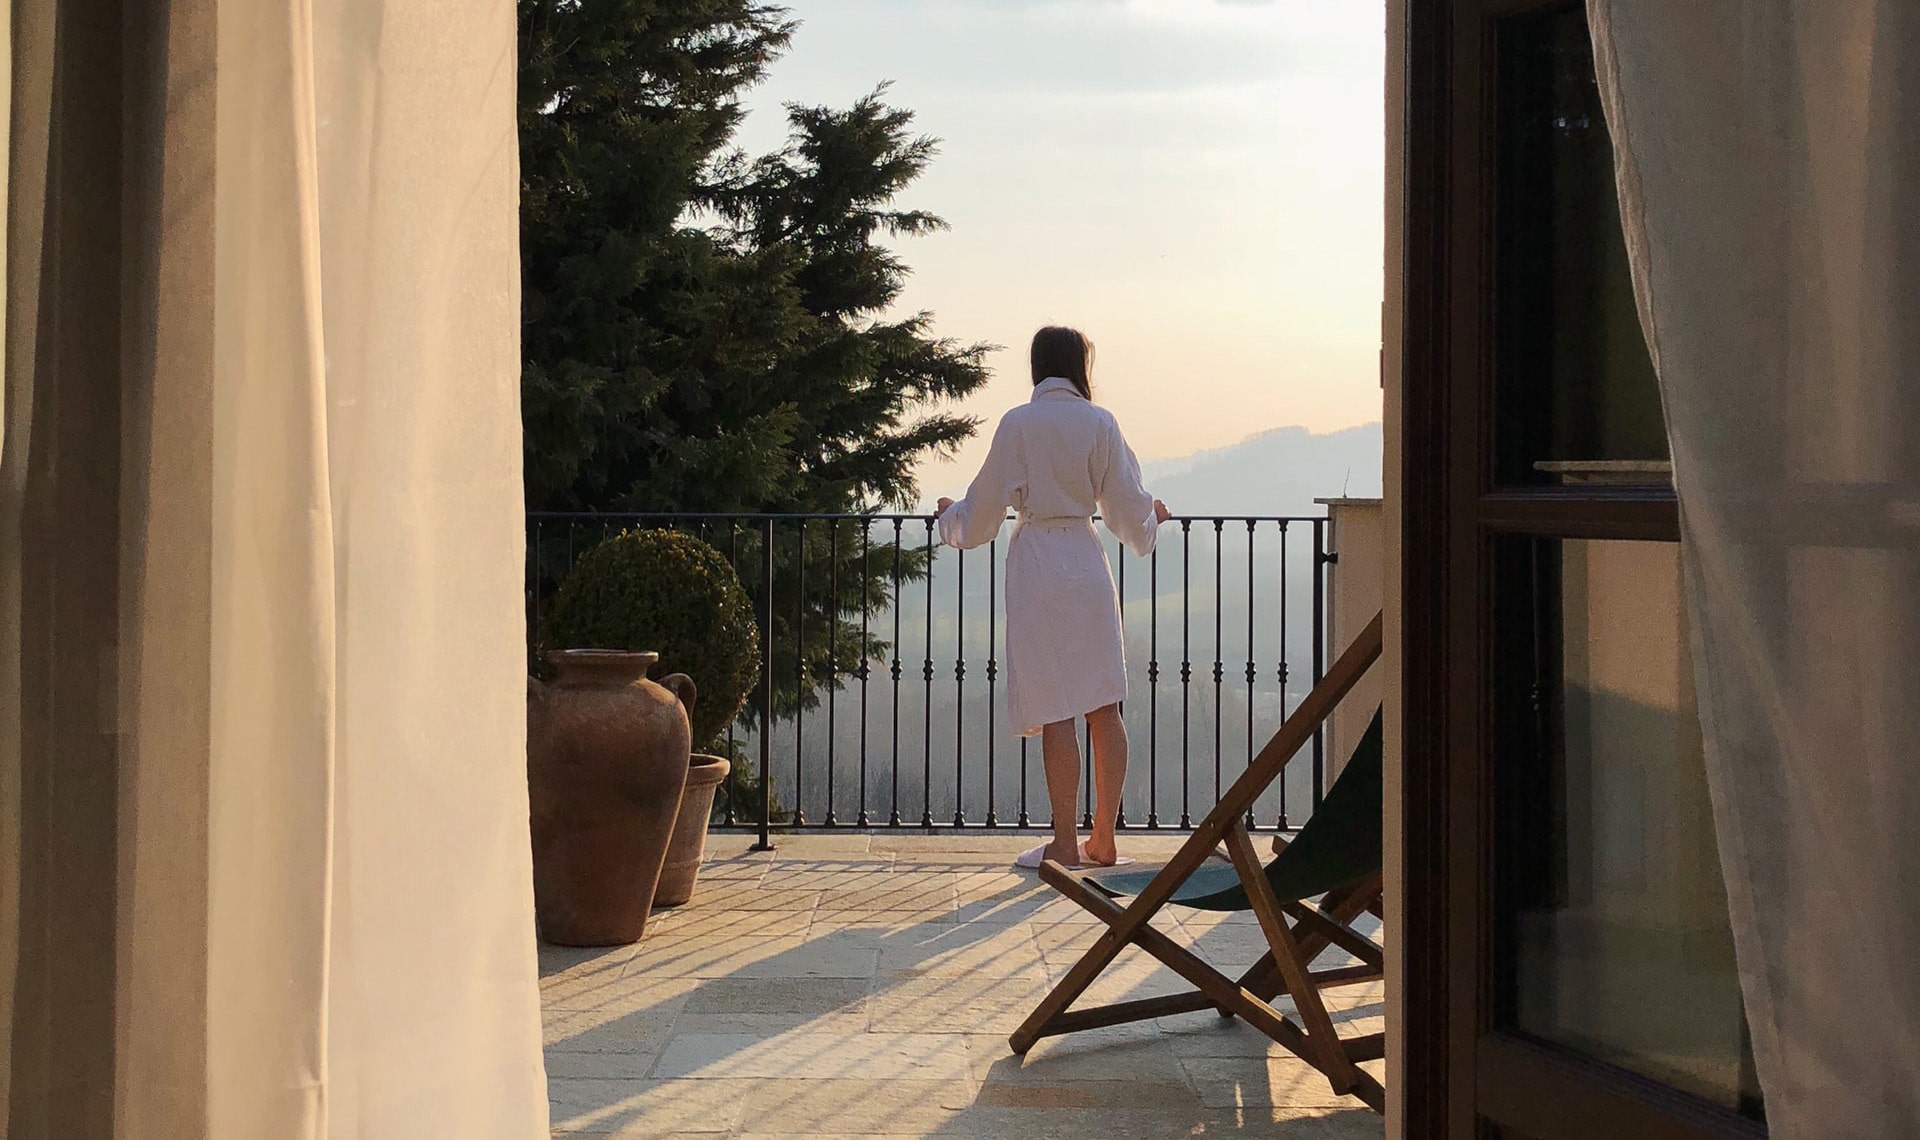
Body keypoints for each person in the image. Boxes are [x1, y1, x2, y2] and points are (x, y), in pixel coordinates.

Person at [934, 326, 1170, 869]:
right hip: (1086, 564)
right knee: (1104, 706)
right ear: (1080, 366)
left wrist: (950, 517)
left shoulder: (1019, 424)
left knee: (1057, 708)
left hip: (1038, 563)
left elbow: (982, 512)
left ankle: (1065, 842)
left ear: (1037, 366)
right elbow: (1128, 506)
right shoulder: (1100, 423)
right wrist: (1150, 522)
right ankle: (1104, 838)